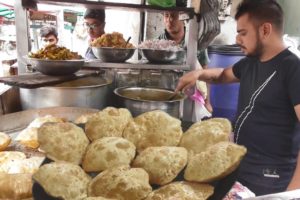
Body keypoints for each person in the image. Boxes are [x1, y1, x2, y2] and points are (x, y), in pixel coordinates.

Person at [175, 0, 300, 196]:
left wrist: (293, 191)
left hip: (272, 179)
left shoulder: (293, 69)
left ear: (265, 30)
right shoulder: (251, 63)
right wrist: (197, 74)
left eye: (243, 33)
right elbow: (222, 75)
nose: (237, 39)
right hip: (241, 167)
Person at [158, 11, 213, 113]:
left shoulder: (196, 42)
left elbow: (205, 72)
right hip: (167, 96)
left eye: (174, 16)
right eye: (166, 15)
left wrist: (207, 102)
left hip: (191, 97)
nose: (169, 20)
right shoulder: (158, 43)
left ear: (183, 18)